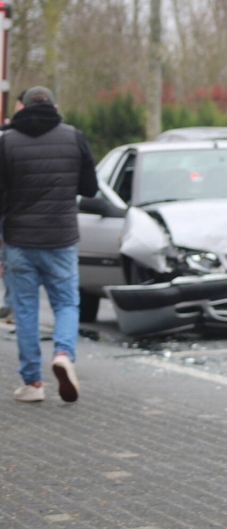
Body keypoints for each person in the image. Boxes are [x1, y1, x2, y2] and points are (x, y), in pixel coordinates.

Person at [0, 86, 98, 402]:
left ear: (22, 107)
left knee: (25, 310)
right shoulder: (74, 137)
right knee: (66, 303)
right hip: (61, 238)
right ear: (54, 107)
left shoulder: (6, 141)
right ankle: (63, 354)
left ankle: (33, 384)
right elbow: (90, 188)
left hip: (19, 240)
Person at [0, 90, 27, 323]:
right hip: (13, 212)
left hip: (12, 213)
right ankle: (12, 305)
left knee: (11, 260)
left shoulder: (7, 137)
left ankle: (12, 304)